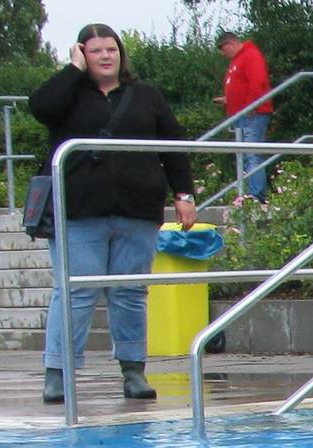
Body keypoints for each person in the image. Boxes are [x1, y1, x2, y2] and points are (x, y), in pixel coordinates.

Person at [30, 24, 194, 405]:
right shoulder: (68, 95)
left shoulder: (146, 96)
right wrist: (71, 72)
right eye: (95, 51)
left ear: (121, 54)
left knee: (130, 293)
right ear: (81, 55)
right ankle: (58, 372)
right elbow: (40, 107)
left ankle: (134, 370)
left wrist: (184, 193)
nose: (105, 56)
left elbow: (174, 147)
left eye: (111, 49)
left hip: (136, 211)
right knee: (74, 292)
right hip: (79, 212)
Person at [215, 29, 272, 202]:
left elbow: (258, 83)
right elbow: (243, 85)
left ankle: (257, 196)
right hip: (243, 114)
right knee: (246, 155)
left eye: (224, 50)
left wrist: (251, 106)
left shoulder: (250, 56)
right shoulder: (239, 59)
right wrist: (229, 99)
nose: (225, 55)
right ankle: (250, 194)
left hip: (252, 115)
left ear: (230, 44)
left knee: (252, 154)